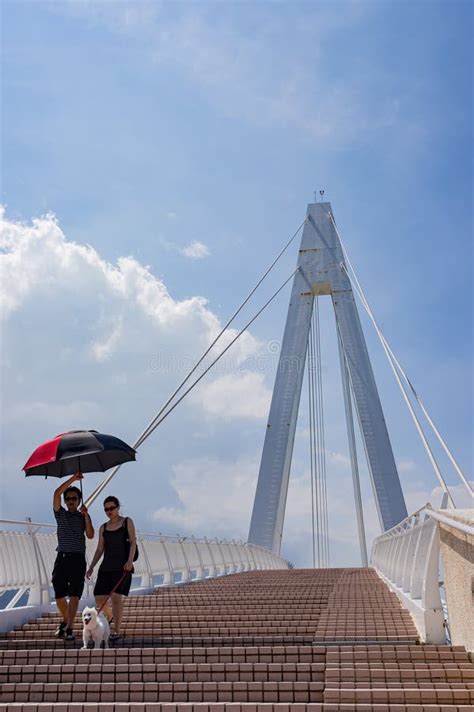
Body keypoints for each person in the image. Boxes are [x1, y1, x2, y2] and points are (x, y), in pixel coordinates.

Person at [86, 496, 136, 640]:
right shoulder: (103, 527)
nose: (109, 511)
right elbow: (100, 549)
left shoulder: (127, 522)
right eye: (106, 509)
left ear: (118, 507)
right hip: (106, 566)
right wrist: (91, 566)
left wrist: (130, 561)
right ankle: (111, 616)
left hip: (122, 566)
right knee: (99, 597)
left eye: (112, 508)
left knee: (115, 597)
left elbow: (133, 542)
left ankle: (116, 630)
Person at [52, 472, 95, 640]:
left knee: (75, 594)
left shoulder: (82, 516)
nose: (71, 501)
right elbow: (56, 494)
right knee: (59, 594)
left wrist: (87, 517)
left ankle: (69, 627)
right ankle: (65, 619)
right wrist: (73, 479)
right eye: (68, 498)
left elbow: (90, 535)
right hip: (62, 557)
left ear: (78, 500)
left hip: (77, 558)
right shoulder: (60, 514)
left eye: (74, 498)